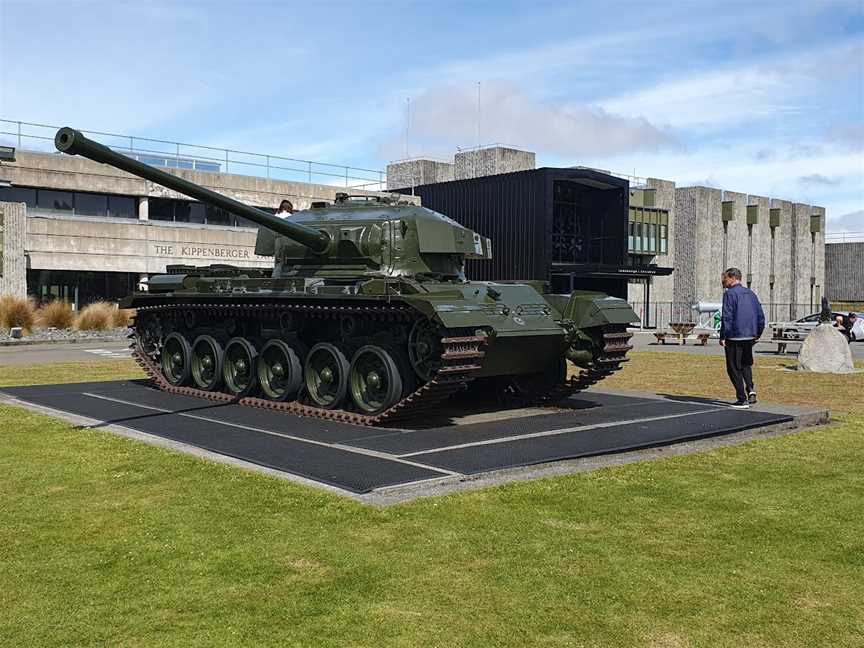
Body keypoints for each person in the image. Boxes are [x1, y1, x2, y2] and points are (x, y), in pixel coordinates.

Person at [719, 267, 765, 409]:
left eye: (724, 278)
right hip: (749, 336)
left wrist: (723, 336)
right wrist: (758, 333)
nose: (723, 281)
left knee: (733, 367)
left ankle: (741, 399)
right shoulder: (751, 293)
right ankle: (751, 390)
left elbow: (727, 316)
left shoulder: (730, 294)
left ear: (732, 278)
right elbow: (760, 315)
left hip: (735, 336)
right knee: (746, 364)